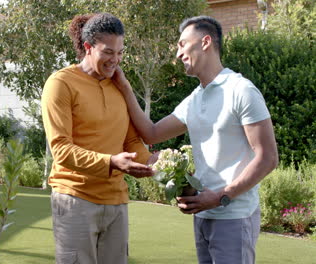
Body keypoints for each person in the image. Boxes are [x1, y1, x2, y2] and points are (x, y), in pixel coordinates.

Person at [112, 16, 279, 264]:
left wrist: (221, 196)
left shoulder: (241, 91)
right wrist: (124, 87)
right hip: (202, 216)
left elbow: (268, 158)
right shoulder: (195, 99)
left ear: (205, 42)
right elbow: (152, 133)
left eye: (182, 44)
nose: (178, 54)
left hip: (234, 216)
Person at [41, 13, 157, 264]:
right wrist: (112, 162)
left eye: (120, 52)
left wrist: (152, 162)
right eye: (108, 52)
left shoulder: (118, 86)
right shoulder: (61, 83)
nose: (115, 60)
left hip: (116, 202)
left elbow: (131, 142)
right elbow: (60, 149)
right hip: (74, 199)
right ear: (87, 48)